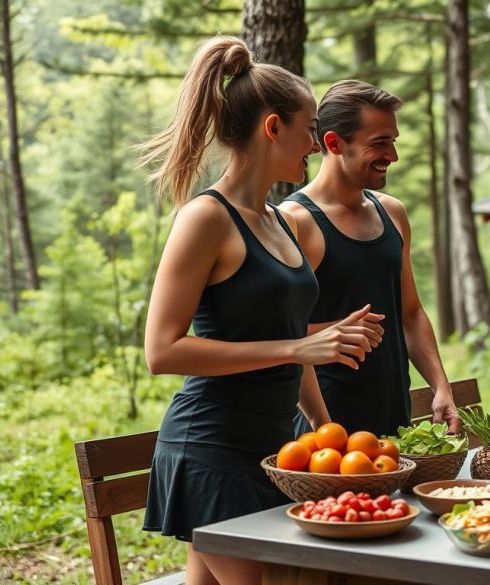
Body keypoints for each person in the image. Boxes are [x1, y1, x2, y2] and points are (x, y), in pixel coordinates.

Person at [139, 37, 382, 584]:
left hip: (273, 451)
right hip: (211, 450)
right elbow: (161, 351)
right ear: (274, 127)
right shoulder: (206, 218)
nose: (318, 144)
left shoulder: (282, 220)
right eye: (309, 128)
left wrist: (327, 429)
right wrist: (299, 347)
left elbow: (292, 339)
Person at [280, 80, 461, 438]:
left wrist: (441, 386)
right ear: (333, 143)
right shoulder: (294, 221)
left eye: (393, 141)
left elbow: (409, 313)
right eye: (379, 143)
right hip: (323, 432)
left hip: (394, 420)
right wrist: (334, 331)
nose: (392, 156)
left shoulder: (392, 213)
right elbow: (275, 335)